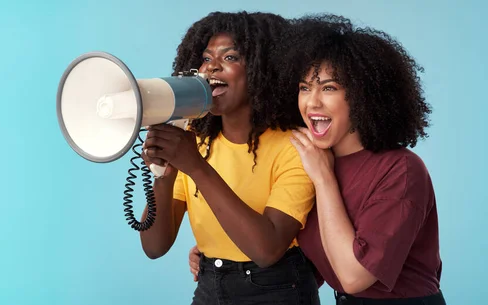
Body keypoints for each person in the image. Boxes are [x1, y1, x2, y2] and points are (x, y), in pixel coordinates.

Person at [187, 14, 447, 304]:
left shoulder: (401, 170)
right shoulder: (312, 157)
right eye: (304, 87)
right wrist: (224, 257)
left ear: (363, 96)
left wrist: (323, 179)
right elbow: (314, 257)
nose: (312, 102)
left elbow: (354, 276)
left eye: (329, 88)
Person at [140, 11, 320, 305]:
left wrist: (195, 166)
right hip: (211, 284)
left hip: (278, 289)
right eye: (206, 58)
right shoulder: (195, 141)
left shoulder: (294, 147)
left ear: (263, 69)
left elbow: (266, 250)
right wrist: (165, 174)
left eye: (230, 58)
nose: (212, 68)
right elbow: (154, 246)